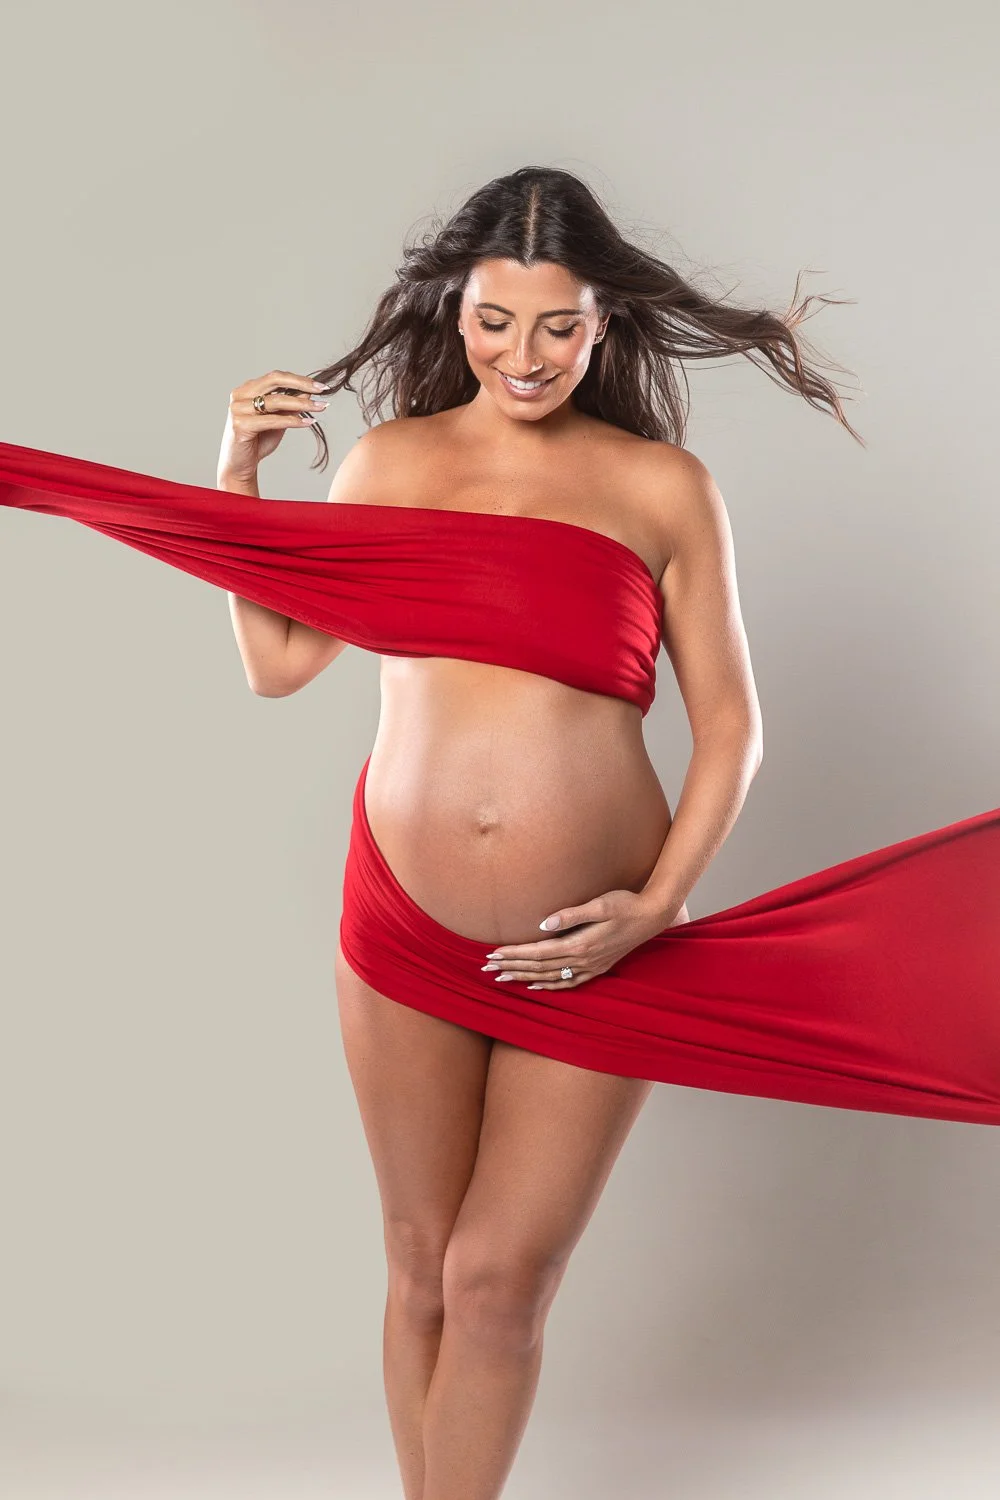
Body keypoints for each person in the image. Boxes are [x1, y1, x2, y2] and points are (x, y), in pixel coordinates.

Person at [215, 165, 846, 1500]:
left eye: (558, 326)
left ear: (603, 325)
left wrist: (660, 907)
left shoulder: (663, 487)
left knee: (499, 1281)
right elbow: (277, 663)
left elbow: (731, 726)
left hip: (602, 941)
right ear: (458, 313)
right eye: (497, 323)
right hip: (402, 923)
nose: (525, 354)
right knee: (419, 1265)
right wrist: (238, 475)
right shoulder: (392, 466)